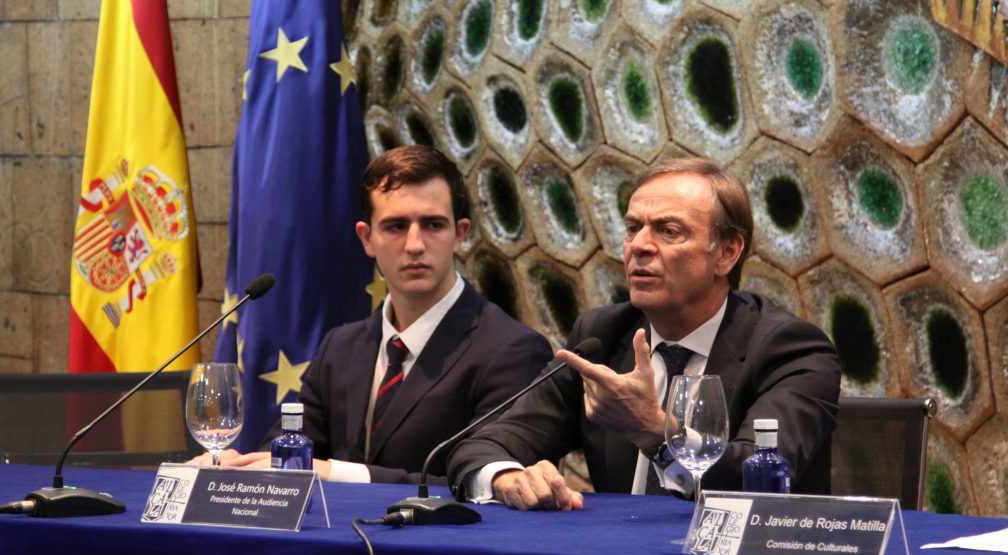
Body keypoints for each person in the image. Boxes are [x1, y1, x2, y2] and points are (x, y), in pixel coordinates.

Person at [445, 157, 841, 510]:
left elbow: (758, 477)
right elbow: (482, 445)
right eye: (633, 228)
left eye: (669, 231)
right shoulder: (600, 336)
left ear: (726, 253)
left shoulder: (791, 350)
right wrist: (505, 477)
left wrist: (656, 432)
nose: (640, 246)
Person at [199, 145, 552, 484]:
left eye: (433, 225)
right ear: (367, 238)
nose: (415, 245)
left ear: (459, 234)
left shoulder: (513, 351)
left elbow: (487, 485)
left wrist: (335, 473)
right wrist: (233, 468)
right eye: (396, 226)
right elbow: (290, 452)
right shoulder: (340, 347)